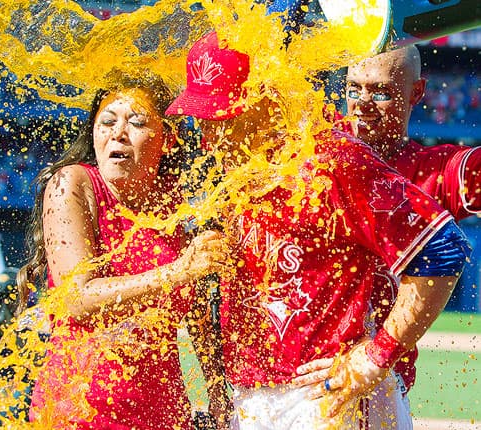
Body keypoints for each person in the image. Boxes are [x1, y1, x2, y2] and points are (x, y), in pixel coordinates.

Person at [165, 31, 471, 429]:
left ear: (265, 100)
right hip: (252, 399)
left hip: (327, 399)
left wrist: (378, 355)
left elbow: (442, 250)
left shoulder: (333, 160)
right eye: (201, 118)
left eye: (221, 118)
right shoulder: (238, 169)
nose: (207, 137)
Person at [15, 72, 230, 429]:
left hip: (164, 414)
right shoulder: (72, 183)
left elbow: (198, 322)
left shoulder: (178, 205)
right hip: (80, 412)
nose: (118, 133)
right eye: (108, 122)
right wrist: (179, 271)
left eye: (136, 122)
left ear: (168, 139)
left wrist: (219, 400)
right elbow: (77, 299)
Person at [344, 45, 481, 392]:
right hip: (295, 378)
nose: (361, 102)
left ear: (416, 93)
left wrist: (379, 354)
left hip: (379, 385)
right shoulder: (318, 147)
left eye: (380, 91)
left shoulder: (434, 172)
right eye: (353, 88)